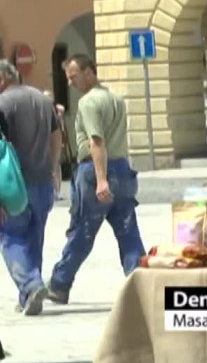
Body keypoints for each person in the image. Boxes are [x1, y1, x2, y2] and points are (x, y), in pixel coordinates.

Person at [48, 54, 146, 305]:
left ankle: (59, 284)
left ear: (89, 72)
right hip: (122, 168)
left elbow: (96, 141)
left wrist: (101, 179)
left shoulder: (88, 102)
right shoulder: (116, 99)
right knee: (128, 231)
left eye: (73, 77)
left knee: (83, 230)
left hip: (95, 169)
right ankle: (140, 284)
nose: (70, 83)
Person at [0, 60, 62, 315]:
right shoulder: (42, 99)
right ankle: (28, 295)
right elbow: (57, 135)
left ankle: (31, 284)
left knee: (11, 237)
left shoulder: (3, 104)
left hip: (14, 185)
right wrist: (54, 168)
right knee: (35, 237)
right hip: (42, 181)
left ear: (2, 78)